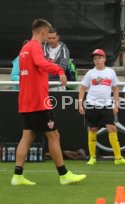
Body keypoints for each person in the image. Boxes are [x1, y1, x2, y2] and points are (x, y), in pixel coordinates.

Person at [11, 19, 86, 185]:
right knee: (54, 135)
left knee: (27, 136)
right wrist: (60, 70)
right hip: (38, 101)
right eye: (47, 34)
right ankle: (64, 174)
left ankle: (17, 176)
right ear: (43, 32)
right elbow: (41, 63)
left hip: (26, 100)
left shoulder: (24, 49)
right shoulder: (35, 47)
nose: (48, 38)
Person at [78, 48, 125, 166]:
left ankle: (118, 158)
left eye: (99, 58)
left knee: (112, 128)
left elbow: (116, 88)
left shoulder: (110, 72)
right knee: (92, 130)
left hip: (106, 106)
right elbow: (82, 88)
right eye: (95, 59)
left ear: (104, 59)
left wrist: (115, 105)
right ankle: (92, 157)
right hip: (91, 105)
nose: (97, 60)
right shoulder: (90, 73)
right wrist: (80, 103)